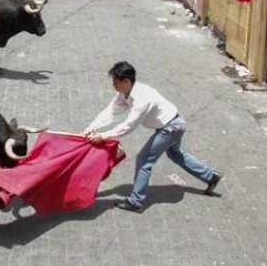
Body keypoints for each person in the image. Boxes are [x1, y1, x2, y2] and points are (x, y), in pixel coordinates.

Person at [83, 61, 222, 213]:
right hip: (173, 124)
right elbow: (110, 112)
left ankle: (136, 201)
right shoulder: (125, 92)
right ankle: (211, 176)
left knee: (144, 160)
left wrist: (103, 136)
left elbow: (128, 126)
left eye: (115, 82)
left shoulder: (142, 99)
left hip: (171, 128)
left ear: (126, 81)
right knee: (175, 154)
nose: (113, 85)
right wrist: (90, 128)